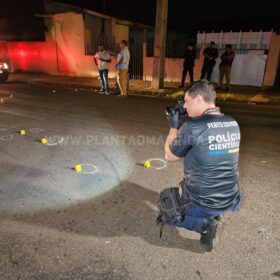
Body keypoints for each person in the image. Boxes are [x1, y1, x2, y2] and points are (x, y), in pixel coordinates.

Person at [160, 80, 243, 251]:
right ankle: (213, 215)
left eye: (186, 101)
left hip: (205, 201)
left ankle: (204, 224)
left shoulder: (192, 127)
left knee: (165, 205)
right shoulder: (232, 122)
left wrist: (173, 127)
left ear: (198, 99)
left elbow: (169, 156)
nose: (184, 106)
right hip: (230, 196)